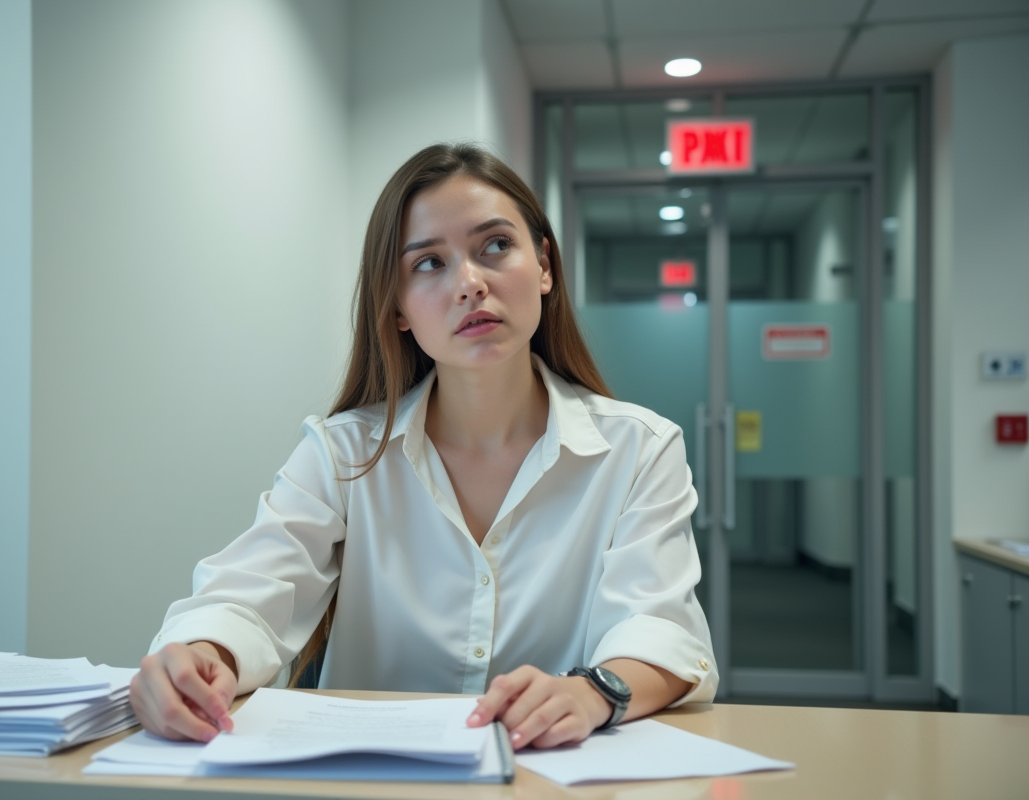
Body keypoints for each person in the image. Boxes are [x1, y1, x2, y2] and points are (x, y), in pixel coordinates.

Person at [129, 143, 718, 752]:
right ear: (400, 308)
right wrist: (199, 657)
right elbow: (248, 597)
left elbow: (661, 629)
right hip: (364, 788)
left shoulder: (639, 450)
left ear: (544, 266)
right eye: (429, 264)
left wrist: (591, 693)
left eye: (495, 246)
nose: (469, 284)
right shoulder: (341, 453)